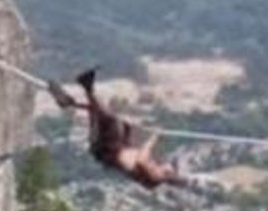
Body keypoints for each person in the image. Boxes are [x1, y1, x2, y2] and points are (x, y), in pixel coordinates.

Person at [49, 68, 190, 189]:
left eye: (171, 168)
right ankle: (73, 100)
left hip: (109, 149)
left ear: (171, 174)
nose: (167, 164)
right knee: (107, 116)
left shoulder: (155, 177)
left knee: (111, 120)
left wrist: (153, 138)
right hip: (115, 147)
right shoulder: (155, 174)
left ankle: (86, 88)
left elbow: (141, 159)